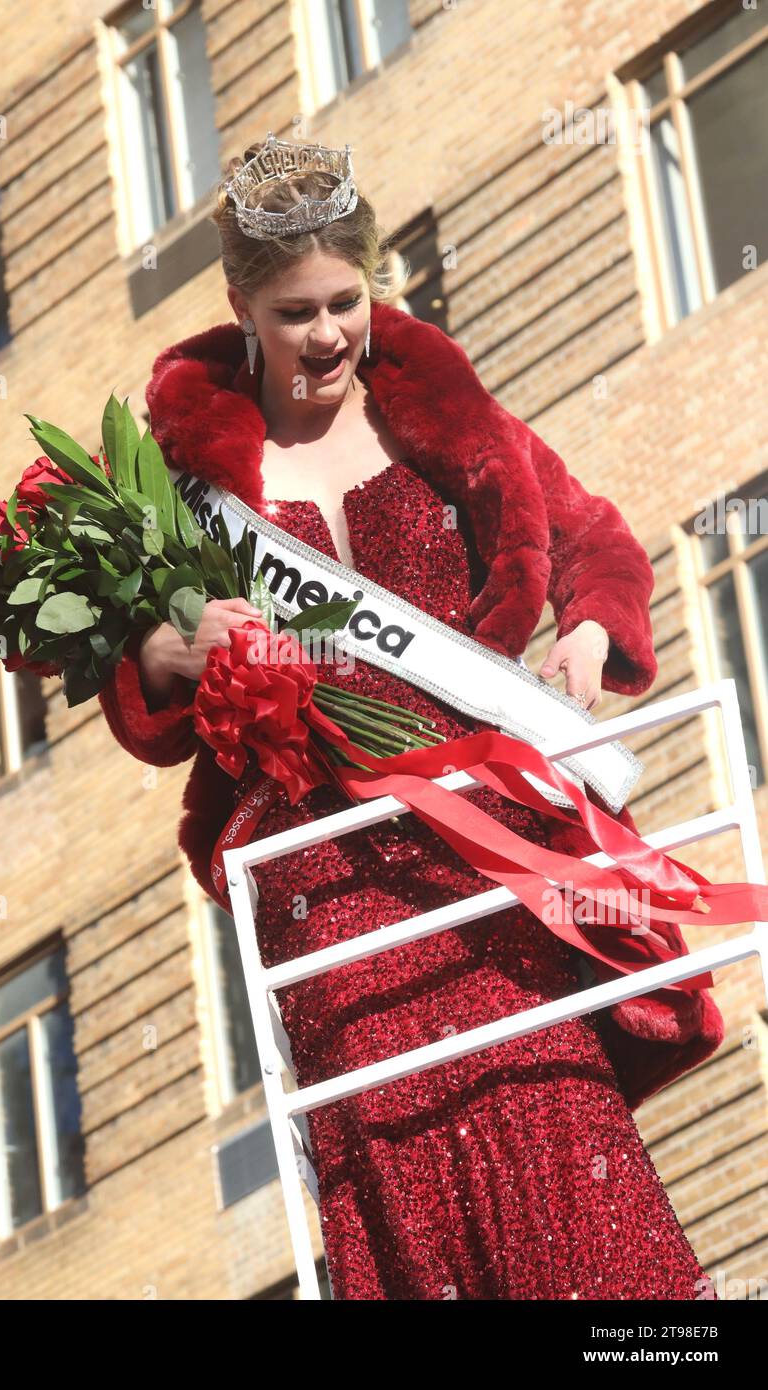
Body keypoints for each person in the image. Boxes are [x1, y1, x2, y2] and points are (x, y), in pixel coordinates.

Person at [98, 134, 724, 1299]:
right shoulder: (184, 482)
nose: (328, 333)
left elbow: (589, 537)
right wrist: (174, 647)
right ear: (240, 305)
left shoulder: (444, 417)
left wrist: (586, 625)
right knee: (401, 1169)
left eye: (347, 300)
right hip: (324, 893)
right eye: (296, 313)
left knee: (558, 1148)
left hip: (482, 854)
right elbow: (132, 696)